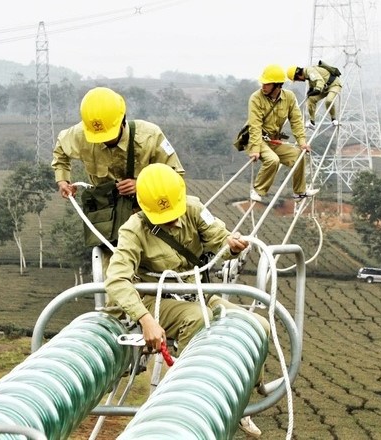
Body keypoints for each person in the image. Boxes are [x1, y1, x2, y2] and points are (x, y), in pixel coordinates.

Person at [104, 163, 269, 438]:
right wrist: (145, 321)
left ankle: (244, 397)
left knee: (258, 325)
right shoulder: (133, 230)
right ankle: (175, 404)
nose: (172, 220)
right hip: (156, 301)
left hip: (196, 294)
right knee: (197, 318)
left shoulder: (194, 209)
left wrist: (232, 245)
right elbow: (117, 280)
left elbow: (219, 240)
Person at [52, 86, 185, 205]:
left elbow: (176, 176)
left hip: (147, 210)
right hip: (105, 213)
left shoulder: (151, 136)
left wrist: (143, 186)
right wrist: (63, 181)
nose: (104, 140)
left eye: (108, 135)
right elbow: (61, 150)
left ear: (122, 122)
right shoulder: (81, 134)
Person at [244, 64, 319, 203]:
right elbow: (254, 126)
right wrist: (255, 149)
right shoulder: (256, 98)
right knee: (273, 160)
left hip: (272, 140)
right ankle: (258, 190)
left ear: (277, 85)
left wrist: (302, 142)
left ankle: (299, 192)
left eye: (267, 83)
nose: (263, 86)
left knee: (298, 156)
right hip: (256, 139)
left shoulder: (289, 97)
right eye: (263, 83)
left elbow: (296, 121)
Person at [286, 64, 342, 129]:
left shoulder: (310, 71)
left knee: (329, 101)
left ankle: (333, 119)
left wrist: (317, 90)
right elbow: (313, 82)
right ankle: (312, 122)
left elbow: (319, 80)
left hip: (334, 85)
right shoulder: (307, 75)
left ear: (298, 75)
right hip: (324, 87)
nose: (299, 81)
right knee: (311, 99)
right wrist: (311, 90)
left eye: (297, 79)